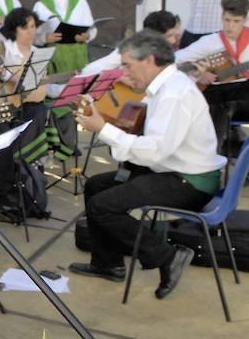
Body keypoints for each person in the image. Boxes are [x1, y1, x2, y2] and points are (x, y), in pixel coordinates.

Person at [71, 31, 225, 298]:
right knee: (96, 187)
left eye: (128, 64)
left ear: (150, 60)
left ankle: (167, 256)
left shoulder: (173, 93)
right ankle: (108, 264)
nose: (124, 71)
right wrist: (104, 121)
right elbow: (147, 141)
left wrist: (103, 128)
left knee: (102, 207)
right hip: (174, 170)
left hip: (190, 182)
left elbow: (154, 152)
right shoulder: (166, 86)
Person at [0, 8, 51, 208]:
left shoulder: (37, 53)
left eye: (33, 26)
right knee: (2, 136)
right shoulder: (4, 48)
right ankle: (2, 191)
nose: (30, 31)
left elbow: (40, 88)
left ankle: (27, 179)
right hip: (1, 108)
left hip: (25, 107)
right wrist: (10, 75)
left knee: (39, 113)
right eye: (25, 27)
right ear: (14, 29)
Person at [175, 0, 249, 149]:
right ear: (221, 18)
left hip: (245, 99)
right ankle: (212, 156)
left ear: (245, 20)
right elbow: (175, 60)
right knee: (215, 106)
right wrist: (198, 74)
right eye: (227, 20)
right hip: (217, 99)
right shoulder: (210, 42)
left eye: (236, 21)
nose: (230, 26)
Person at [32, 0, 96, 75]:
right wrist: (45, 38)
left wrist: (88, 36)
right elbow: (31, 35)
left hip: (78, 56)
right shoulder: (40, 6)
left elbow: (92, 29)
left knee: (79, 90)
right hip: (55, 57)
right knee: (57, 91)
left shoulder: (81, 2)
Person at [81, 10, 179, 76]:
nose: (174, 41)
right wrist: (118, 77)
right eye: (169, 36)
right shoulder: (132, 49)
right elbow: (89, 71)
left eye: (175, 36)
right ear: (153, 36)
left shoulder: (165, 56)